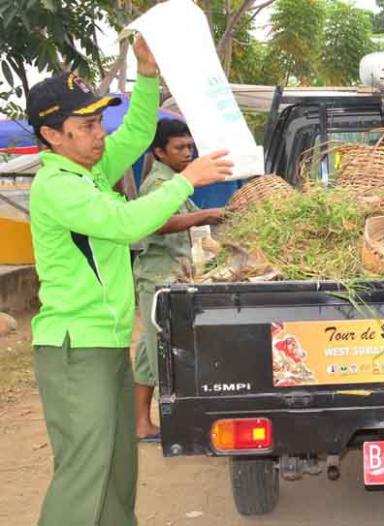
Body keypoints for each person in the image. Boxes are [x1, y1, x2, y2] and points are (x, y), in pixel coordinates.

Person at [28, 37, 233, 526]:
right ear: (53, 136)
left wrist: (145, 76)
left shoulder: (89, 173)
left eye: (99, 123)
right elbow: (127, 225)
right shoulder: (58, 187)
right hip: (76, 349)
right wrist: (188, 180)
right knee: (86, 473)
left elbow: (139, 131)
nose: (99, 136)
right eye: (86, 127)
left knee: (117, 469)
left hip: (103, 343)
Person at [133, 119, 224, 441]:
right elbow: (158, 223)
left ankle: (141, 424)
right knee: (164, 353)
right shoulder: (159, 183)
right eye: (180, 148)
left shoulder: (175, 180)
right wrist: (204, 215)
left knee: (148, 351)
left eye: (190, 146)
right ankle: (177, 427)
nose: (188, 153)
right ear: (159, 152)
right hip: (159, 277)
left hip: (169, 273)